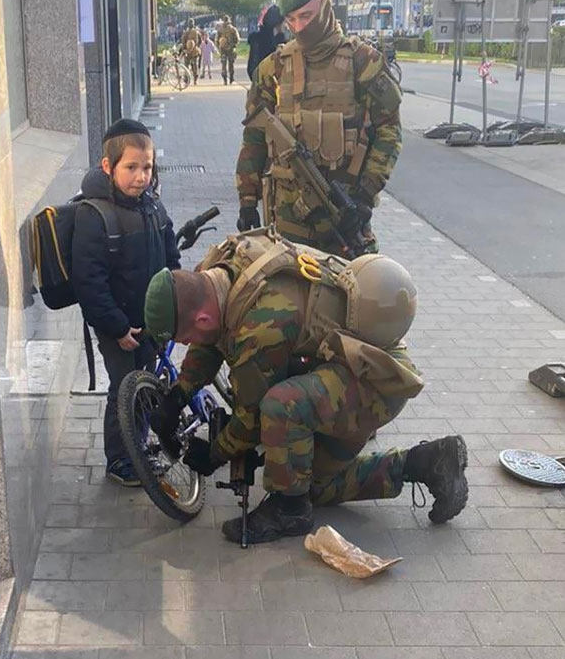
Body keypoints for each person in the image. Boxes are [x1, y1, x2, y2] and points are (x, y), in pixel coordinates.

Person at [145, 228, 468, 544]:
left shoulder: (260, 327)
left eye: (183, 338)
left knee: (281, 409)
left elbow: (251, 419)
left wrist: (213, 455)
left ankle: (289, 511)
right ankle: (428, 462)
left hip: (375, 382)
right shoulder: (216, 271)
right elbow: (210, 337)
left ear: (200, 319)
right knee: (307, 477)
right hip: (347, 363)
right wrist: (180, 392)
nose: (188, 345)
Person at [236, 0, 403, 256]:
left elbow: (389, 130)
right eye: (291, 19)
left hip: (344, 220)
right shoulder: (272, 69)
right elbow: (254, 137)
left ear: (325, 5)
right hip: (285, 227)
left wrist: (365, 195)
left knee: (361, 295)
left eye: (307, 16)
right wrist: (247, 201)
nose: (299, 27)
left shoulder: (363, 62)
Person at [72, 119, 180, 486]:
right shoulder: (94, 215)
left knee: (145, 383)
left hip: (148, 320)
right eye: (130, 167)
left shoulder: (151, 205)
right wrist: (117, 327)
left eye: (146, 167)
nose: (140, 176)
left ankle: (139, 445)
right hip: (117, 324)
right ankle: (120, 459)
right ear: (108, 166)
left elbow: (170, 258)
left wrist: (176, 299)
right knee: (123, 389)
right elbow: (89, 282)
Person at [247, 3, 286, 80]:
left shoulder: (256, 39)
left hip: (259, 84)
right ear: (279, 24)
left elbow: (251, 68)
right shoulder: (281, 44)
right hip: (268, 86)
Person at [216, 15, 240, 85]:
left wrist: (219, 47)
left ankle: (225, 80)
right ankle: (231, 78)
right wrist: (233, 45)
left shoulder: (220, 29)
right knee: (231, 64)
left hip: (223, 49)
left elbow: (216, 40)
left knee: (223, 64)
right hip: (231, 49)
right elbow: (237, 39)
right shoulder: (233, 29)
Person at [180, 18, 202, 84]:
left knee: (186, 66)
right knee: (195, 65)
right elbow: (200, 41)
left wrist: (184, 49)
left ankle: (186, 80)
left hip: (187, 51)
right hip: (195, 51)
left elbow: (183, 42)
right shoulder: (197, 32)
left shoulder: (185, 32)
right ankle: (195, 80)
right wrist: (197, 47)